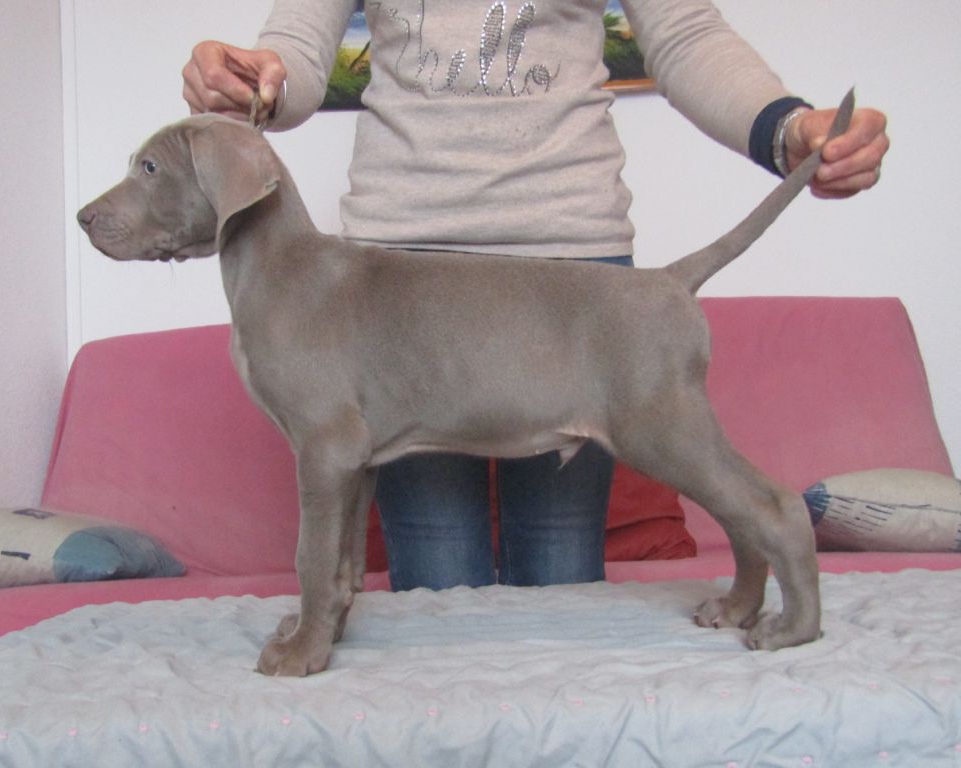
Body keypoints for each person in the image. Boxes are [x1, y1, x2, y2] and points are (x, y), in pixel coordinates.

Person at [182, 1, 889, 592]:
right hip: (401, 277)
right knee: (436, 594)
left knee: (561, 585)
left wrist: (786, 128)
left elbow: (684, 32)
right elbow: (299, 44)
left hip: (572, 270)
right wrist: (252, 80)